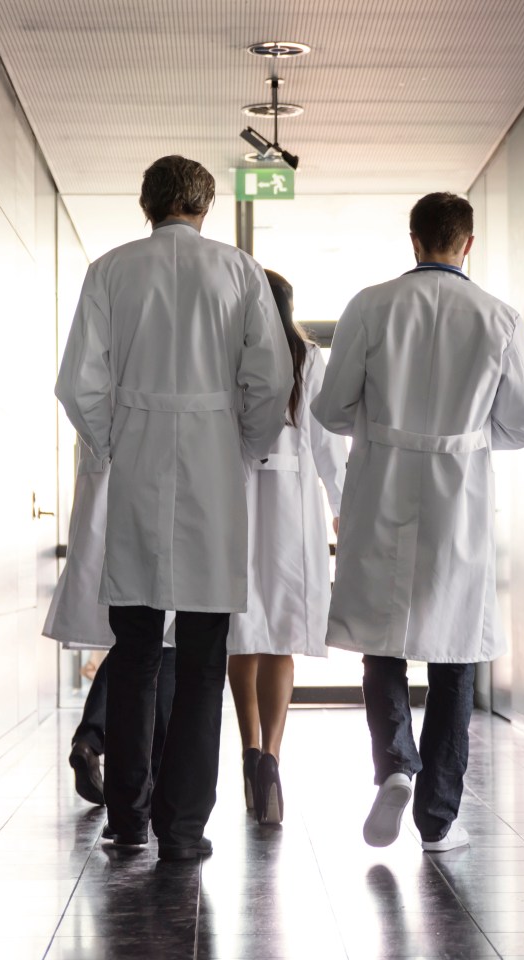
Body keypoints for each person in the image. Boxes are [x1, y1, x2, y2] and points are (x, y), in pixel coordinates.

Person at [55, 155, 292, 861]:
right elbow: (269, 379)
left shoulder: (110, 271)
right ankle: (183, 829)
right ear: (206, 207)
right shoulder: (239, 271)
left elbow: (78, 384)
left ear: (146, 205)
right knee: (202, 659)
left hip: (137, 465)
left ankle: (128, 816)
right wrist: (242, 446)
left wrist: (114, 444)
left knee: (134, 652)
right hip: (213, 469)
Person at [311, 192, 524, 854]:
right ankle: (438, 819)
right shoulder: (499, 318)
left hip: (381, 482)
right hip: (456, 492)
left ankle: (394, 763)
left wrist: (381, 424)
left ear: (413, 240)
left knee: (381, 640)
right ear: (466, 243)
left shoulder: (370, 305)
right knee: (455, 651)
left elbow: (330, 409)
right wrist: (468, 435)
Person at [227, 269, 347, 826]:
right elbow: (328, 446)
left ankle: (249, 751)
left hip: (237, 503)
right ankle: (272, 758)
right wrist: (343, 506)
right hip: (292, 509)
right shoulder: (309, 360)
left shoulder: (232, 357)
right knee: (280, 638)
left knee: (242, 634)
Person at [42, 439, 176, 808]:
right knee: (162, 643)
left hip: (122, 480)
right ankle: (147, 787)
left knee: (140, 641)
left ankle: (92, 741)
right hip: (153, 487)